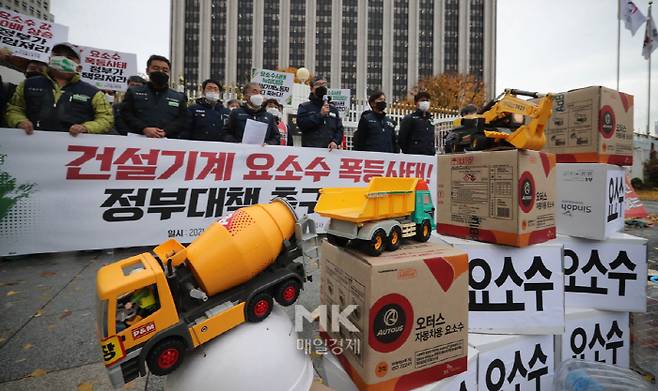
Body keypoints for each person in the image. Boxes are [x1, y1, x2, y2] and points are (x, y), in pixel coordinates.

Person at [5, 42, 114, 136]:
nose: (62, 60)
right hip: (28, 144)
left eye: (69, 58)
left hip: (71, 149)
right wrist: (19, 121)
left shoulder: (93, 93)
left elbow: (106, 119)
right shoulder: (28, 84)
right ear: (49, 60)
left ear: (78, 68)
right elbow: (15, 108)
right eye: (57, 55)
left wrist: (87, 128)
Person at [120, 55, 187, 138]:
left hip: (167, 142)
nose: (160, 71)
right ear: (147, 71)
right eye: (156, 68)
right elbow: (126, 114)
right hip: (137, 140)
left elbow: (182, 119)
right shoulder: (134, 92)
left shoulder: (178, 97)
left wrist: (166, 131)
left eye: (165, 70)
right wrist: (144, 129)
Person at [296, 78, 343, 150]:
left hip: (330, 151)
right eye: (318, 84)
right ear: (311, 89)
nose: (322, 86)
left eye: (324, 84)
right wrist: (320, 115)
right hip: (311, 150)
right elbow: (302, 125)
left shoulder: (333, 109)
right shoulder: (304, 107)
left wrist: (335, 142)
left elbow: (339, 129)